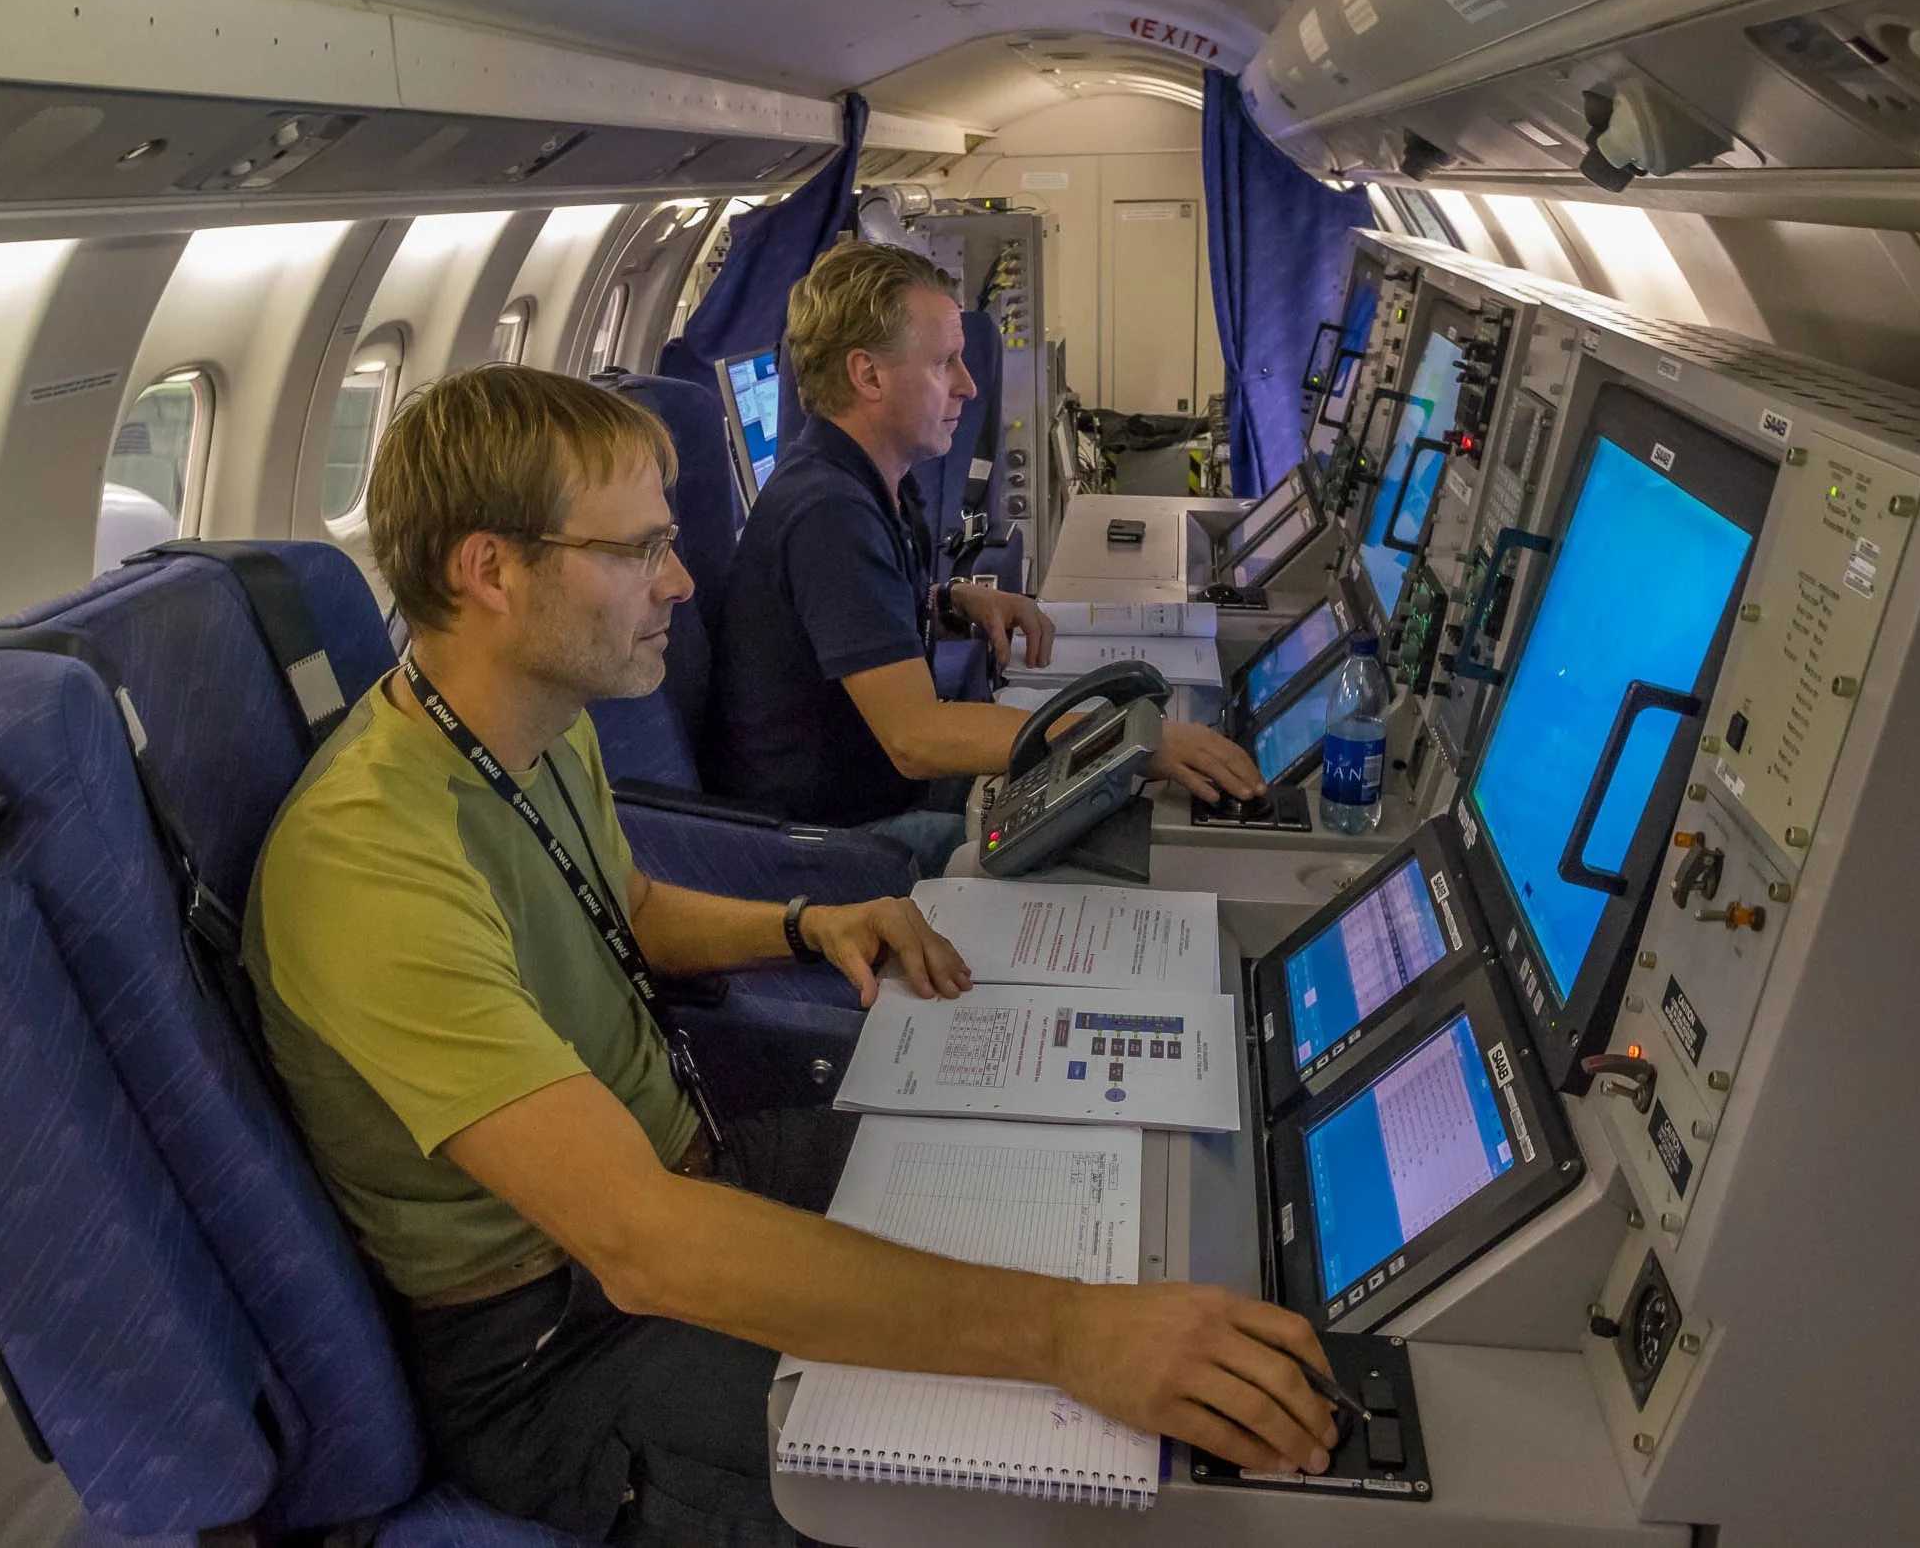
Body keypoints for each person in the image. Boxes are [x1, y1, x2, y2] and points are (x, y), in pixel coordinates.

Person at [244, 364, 1337, 1548]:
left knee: (1103, 1210)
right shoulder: (369, 867)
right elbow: (640, 1244)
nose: (681, 579)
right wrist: (1066, 1335)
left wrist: (805, 925)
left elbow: (628, 905)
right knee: (1051, 1485)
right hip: (561, 1346)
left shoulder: (528, 726)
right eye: (638, 550)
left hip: (705, 1166)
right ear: (491, 569)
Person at [705, 241, 1264, 874]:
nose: (969, 387)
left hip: (874, 786)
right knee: (1106, 860)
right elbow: (917, 738)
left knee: (1115, 808)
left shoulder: (875, 479)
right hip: (831, 836)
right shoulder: (828, 514)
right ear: (868, 375)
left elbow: (857, 627)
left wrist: (952, 602)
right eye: (945, 363)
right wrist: (1129, 740)